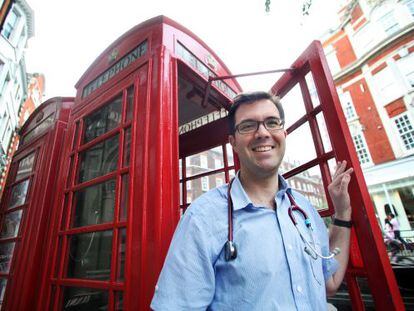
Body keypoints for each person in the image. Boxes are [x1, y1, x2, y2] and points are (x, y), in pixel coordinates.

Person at [151, 91, 353, 310]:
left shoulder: (305, 210)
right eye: (248, 126)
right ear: (233, 143)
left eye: (272, 122)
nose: (262, 133)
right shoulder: (202, 218)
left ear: (284, 133)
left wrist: (343, 213)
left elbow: (330, 283)